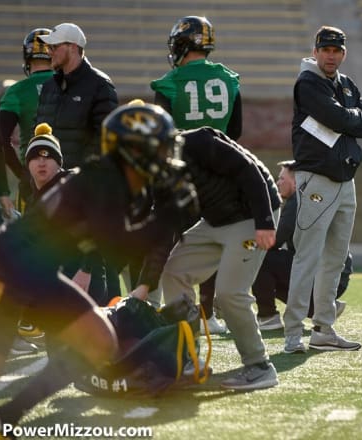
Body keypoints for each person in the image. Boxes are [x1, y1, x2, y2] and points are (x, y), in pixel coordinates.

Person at [0, 102, 192, 431]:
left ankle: (7, 419)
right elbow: (118, 244)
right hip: (10, 264)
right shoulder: (105, 180)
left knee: (99, 341)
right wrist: (167, 218)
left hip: (36, 272)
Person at [160, 126, 282, 391]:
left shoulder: (197, 141)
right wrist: (145, 283)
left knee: (229, 294)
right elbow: (163, 225)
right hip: (215, 218)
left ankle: (260, 366)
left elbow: (249, 171)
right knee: (173, 272)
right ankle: (189, 357)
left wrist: (264, 221)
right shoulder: (152, 170)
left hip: (251, 214)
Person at [282, 25, 362, 354]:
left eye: (337, 50)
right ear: (316, 50)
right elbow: (339, 119)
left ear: (344, 53)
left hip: (346, 179)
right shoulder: (308, 82)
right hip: (317, 178)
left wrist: (347, 118)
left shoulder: (347, 83)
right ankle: (293, 333)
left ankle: (323, 329)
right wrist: (350, 118)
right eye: (326, 50)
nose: (331, 55)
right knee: (307, 258)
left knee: (334, 260)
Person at [151, 15, 243, 334]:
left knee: (178, 242)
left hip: (182, 171)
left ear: (184, 45)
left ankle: (176, 306)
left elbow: (160, 133)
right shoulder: (230, 79)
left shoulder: (168, 82)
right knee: (213, 241)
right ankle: (208, 312)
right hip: (221, 172)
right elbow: (237, 131)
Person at [36, 22, 121, 297]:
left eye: (54, 47)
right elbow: (39, 136)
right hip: (52, 189)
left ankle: (111, 326)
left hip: (86, 191)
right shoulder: (49, 86)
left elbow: (106, 144)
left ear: (72, 48)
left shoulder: (100, 85)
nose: (49, 52)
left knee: (95, 263)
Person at [252, 160, 352, 330]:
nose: (277, 183)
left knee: (262, 256)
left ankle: (267, 316)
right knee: (273, 264)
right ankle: (320, 308)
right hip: (335, 276)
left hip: (326, 274)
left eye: (282, 179)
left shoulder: (298, 201)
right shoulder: (311, 198)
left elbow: (272, 241)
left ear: (296, 181)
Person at [22, 123, 108, 305]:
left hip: (82, 280)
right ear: (28, 163)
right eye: (35, 157)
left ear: (59, 162)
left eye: (48, 157)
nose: (42, 162)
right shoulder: (33, 200)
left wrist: (86, 271)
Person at [0, 28, 54, 220]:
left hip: (33, 178)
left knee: (31, 242)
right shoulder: (70, 85)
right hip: (71, 178)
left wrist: (22, 174)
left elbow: (1, 140)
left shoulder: (17, 91)